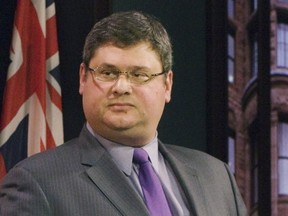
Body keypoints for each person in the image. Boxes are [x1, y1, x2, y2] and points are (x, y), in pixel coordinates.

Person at [0, 11, 247, 216]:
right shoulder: (35, 182)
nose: (121, 87)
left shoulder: (217, 177)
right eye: (107, 73)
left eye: (139, 74)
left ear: (167, 85)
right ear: (83, 78)